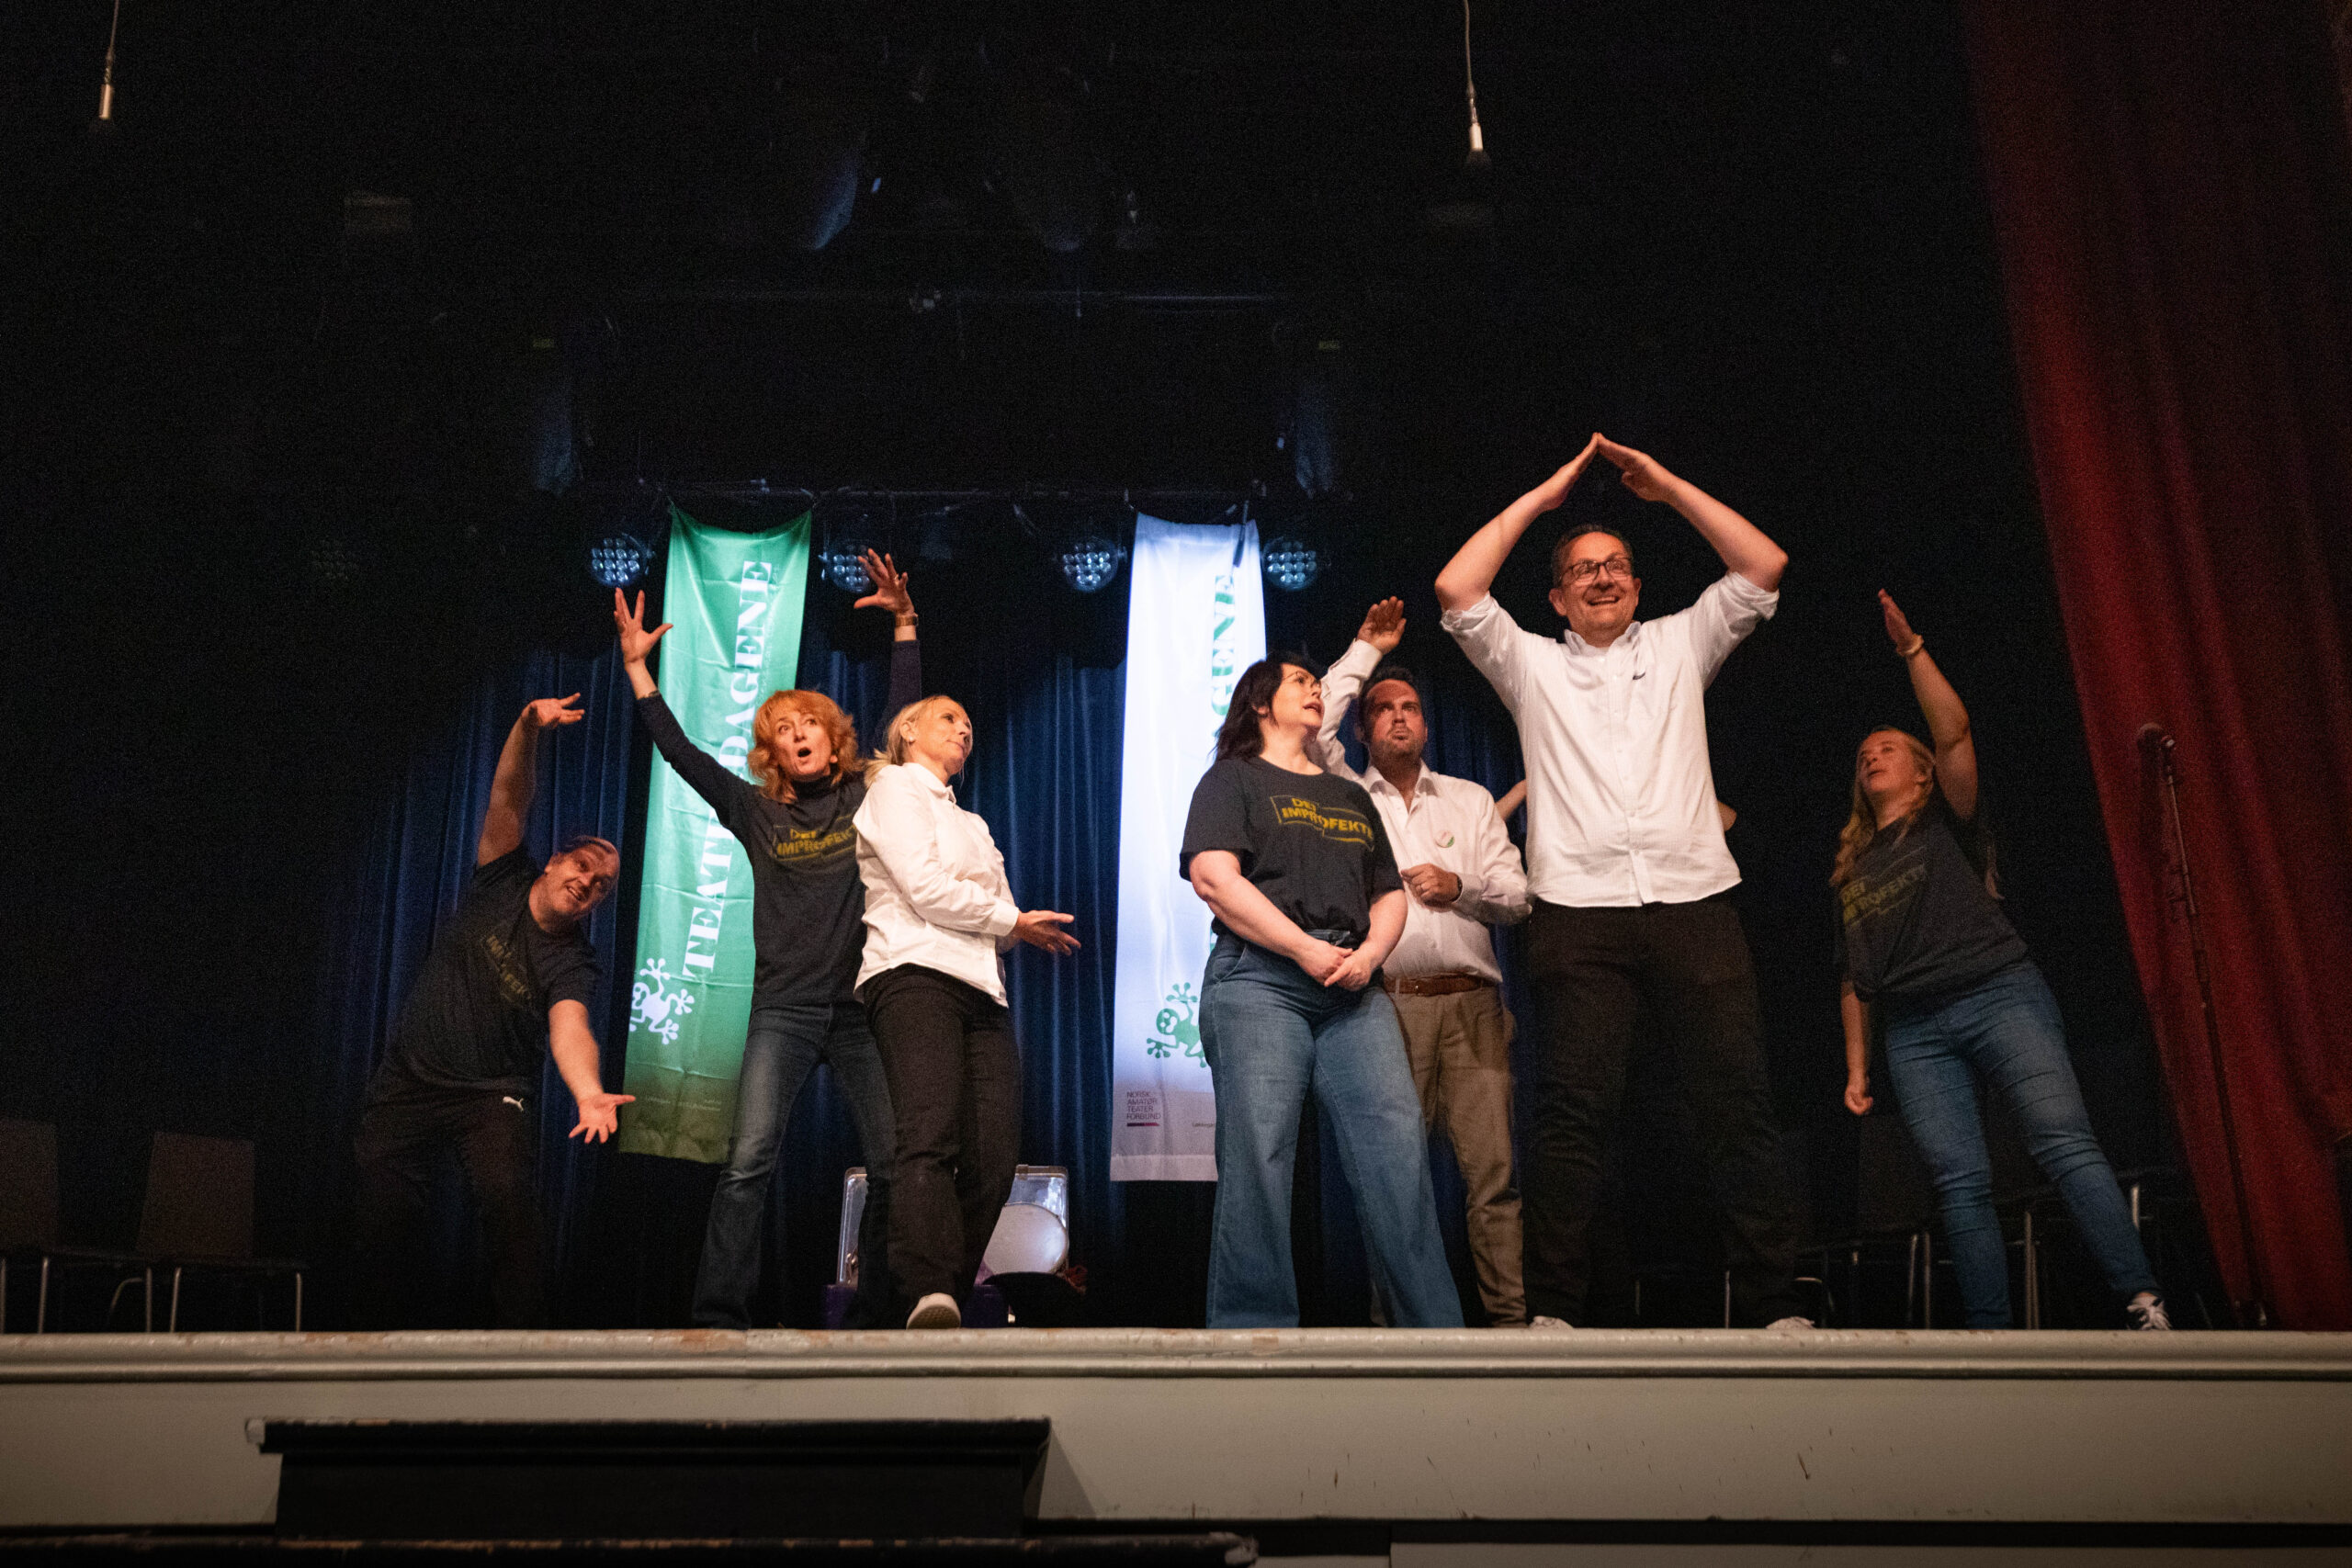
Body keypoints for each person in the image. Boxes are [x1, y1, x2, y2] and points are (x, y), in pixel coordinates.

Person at [1435, 433, 1810, 1330]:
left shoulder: (1682, 643)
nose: (1601, 577)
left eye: (1615, 566)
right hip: (1579, 913)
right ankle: (1553, 1314)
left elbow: (1764, 564)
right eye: (1581, 569)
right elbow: (1456, 588)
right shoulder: (1532, 664)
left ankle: (1777, 1306)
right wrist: (1546, 497)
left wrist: (1669, 487)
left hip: (1695, 901)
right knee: (1573, 1115)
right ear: (1557, 597)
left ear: (1638, 586)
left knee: (1737, 1103)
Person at [1837, 592, 2170, 1330]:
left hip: (1998, 993)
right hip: (1915, 1030)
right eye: (1864, 755)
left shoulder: (1946, 820)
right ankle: (1991, 1337)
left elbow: (1953, 732)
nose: (1872, 755)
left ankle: (2143, 1301)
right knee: (1959, 1183)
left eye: (1888, 747)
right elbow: (1854, 978)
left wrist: (1912, 649)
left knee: (2063, 1141)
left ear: (1921, 773)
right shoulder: (1851, 869)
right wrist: (1858, 1067)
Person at [614, 549, 920, 1330]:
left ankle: (879, 1317)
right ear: (772, 754)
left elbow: (902, 722)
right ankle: (718, 1315)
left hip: (857, 1010)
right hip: (782, 1011)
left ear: (832, 738)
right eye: (782, 730)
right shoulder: (757, 811)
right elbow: (681, 754)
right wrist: (638, 670)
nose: (797, 734)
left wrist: (905, 624)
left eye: (807, 722)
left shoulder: (865, 794)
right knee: (747, 1161)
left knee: (892, 1163)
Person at [1182, 657, 1465, 1329]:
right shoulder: (1233, 779)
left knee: (1397, 1150)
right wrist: (1303, 948)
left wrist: (1368, 955)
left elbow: (1388, 894)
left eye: (1318, 683)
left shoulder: (1349, 795)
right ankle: (1253, 1335)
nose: (1315, 689)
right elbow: (1214, 877)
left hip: (1351, 986)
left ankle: (1434, 1336)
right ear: (1260, 704)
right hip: (1261, 978)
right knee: (1260, 1152)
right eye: (1299, 682)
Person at [352, 694, 631, 1328]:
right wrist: (527, 725)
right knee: (381, 1212)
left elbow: (571, 1028)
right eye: (583, 866)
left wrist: (589, 1092)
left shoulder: (574, 962)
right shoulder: (502, 876)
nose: (588, 882)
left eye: (601, 885)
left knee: (508, 1201)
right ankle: (372, 1342)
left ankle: (525, 1347)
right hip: (413, 1077)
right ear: (555, 861)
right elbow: (509, 796)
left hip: (491, 1094)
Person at [1315, 597, 1532, 1326]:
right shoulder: (1346, 796)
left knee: (1493, 1177)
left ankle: (1509, 1328)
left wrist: (1458, 886)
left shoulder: (1469, 800)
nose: (1399, 717)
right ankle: (1392, 1338)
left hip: (1473, 1005)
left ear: (1427, 725)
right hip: (1388, 1007)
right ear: (1363, 729)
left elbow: (1518, 896)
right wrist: (1367, 652)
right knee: (1393, 1183)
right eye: (1383, 709)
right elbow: (1313, 726)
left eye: (1409, 707)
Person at [854, 694, 1080, 1329]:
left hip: (982, 988)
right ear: (908, 729)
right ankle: (926, 1287)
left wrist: (1015, 925)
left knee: (993, 1157)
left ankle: (942, 1299)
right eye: (950, 718)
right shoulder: (894, 788)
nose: (964, 730)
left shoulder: (973, 823)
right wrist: (1011, 920)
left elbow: (1000, 920)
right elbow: (926, 888)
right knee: (929, 1135)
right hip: (913, 972)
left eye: (970, 724)